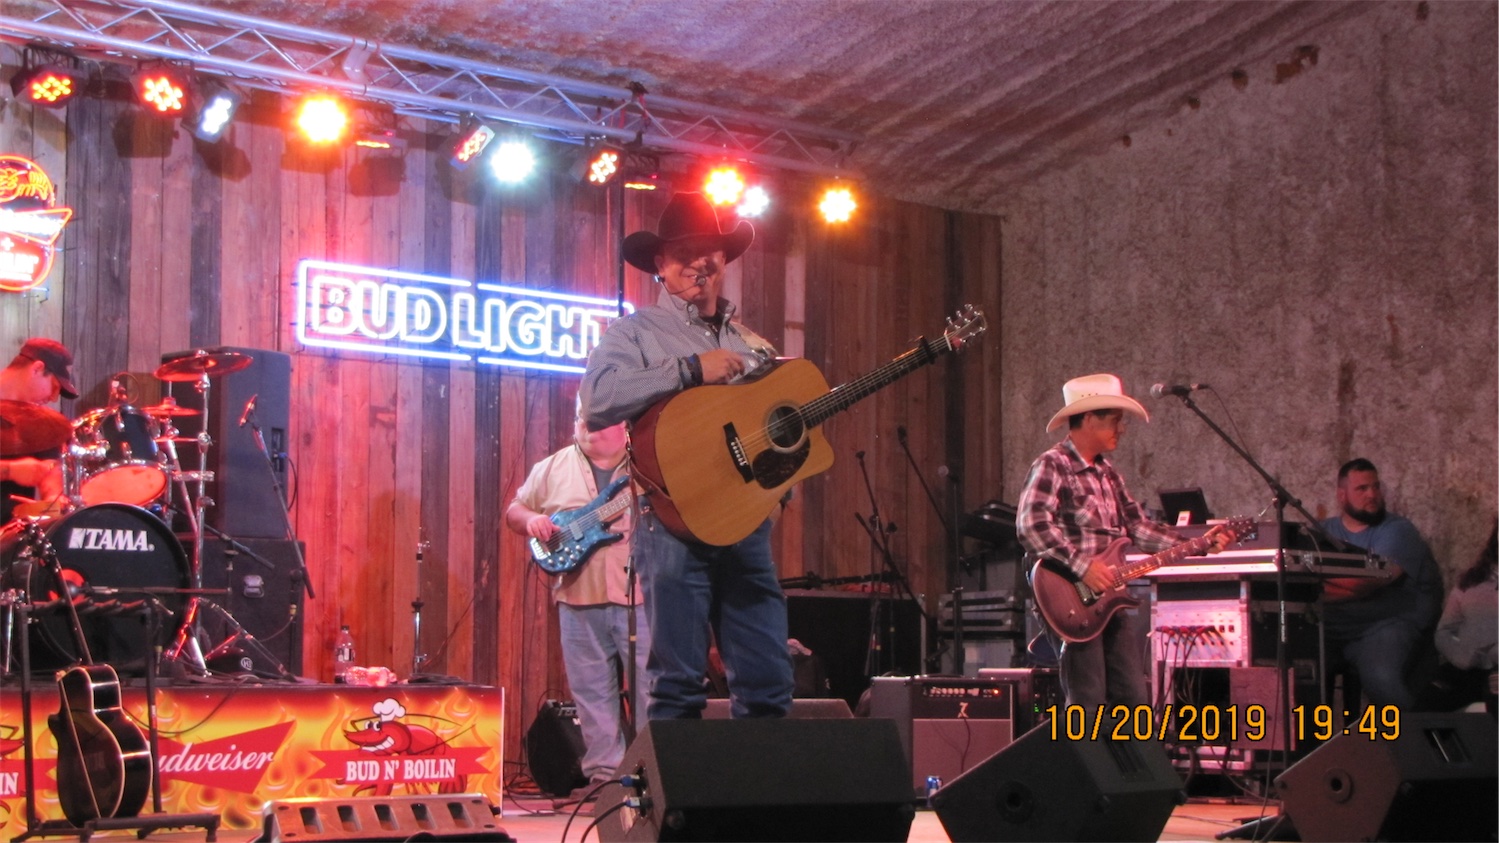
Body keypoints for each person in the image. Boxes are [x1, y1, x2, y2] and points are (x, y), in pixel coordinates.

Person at [580, 192, 792, 720]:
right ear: (660, 264)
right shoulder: (634, 332)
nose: (699, 262)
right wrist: (690, 369)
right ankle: (674, 782)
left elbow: (776, 430)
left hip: (745, 524)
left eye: (708, 251)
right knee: (677, 684)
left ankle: (763, 777)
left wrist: (778, 493)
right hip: (671, 522)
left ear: (723, 260)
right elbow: (598, 401)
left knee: (768, 683)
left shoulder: (752, 344)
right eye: (683, 253)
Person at [1017, 373, 1228, 710]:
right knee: (1088, 696)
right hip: (1069, 598)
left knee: (1132, 696)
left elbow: (1138, 529)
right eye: (1115, 420)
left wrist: (1198, 544)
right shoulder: (1052, 465)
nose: (1122, 428)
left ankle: (1127, 747)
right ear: (1089, 418)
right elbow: (1031, 525)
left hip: (1108, 599)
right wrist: (1084, 567)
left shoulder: (1108, 473)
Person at [505, 398, 649, 799]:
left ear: (622, 424)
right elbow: (515, 509)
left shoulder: (647, 466)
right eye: (580, 418)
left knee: (650, 691)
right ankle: (604, 782)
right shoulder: (551, 467)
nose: (585, 426)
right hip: (576, 596)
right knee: (592, 694)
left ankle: (652, 778)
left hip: (638, 596)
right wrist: (532, 521)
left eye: (596, 420)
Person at [1319, 458, 1442, 710]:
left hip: (1386, 625)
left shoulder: (1398, 530)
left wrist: (1316, 593)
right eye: (1362, 489)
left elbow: (1369, 581)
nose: (1372, 494)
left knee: (1381, 679)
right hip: (1333, 629)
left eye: (1375, 487)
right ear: (1342, 495)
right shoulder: (1322, 531)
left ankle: (1417, 732)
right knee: (1294, 671)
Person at [1, 337, 78, 522]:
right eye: (54, 386)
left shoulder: (41, 424)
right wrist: (10, 470)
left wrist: (52, 498)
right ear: (37, 368)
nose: (53, 398)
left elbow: (50, 473)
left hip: (13, 532)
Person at [1430, 520, 1496, 712]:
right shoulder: (1473, 580)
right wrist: (1461, 655)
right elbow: (1444, 631)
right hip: (1466, 668)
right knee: (1426, 707)